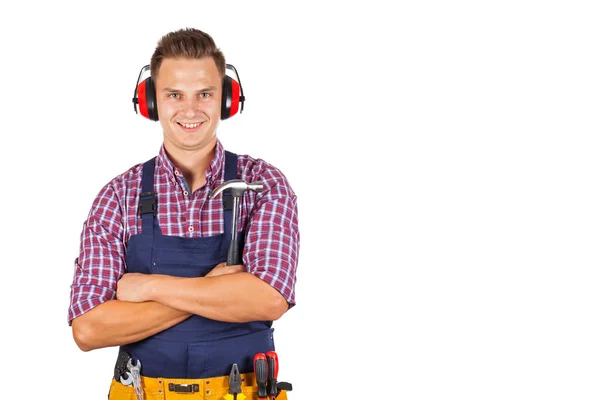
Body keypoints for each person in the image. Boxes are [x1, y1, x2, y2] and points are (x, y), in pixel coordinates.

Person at [68, 28, 299, 400]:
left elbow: (269, 298)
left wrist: (149, 287)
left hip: (245, 394)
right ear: (151, 102)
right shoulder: (117, 196)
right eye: (174, 94)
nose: (190, 110)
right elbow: (89, 329)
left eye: (204, 94)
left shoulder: (264, 183)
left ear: (226, 100)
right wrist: (216, 288)